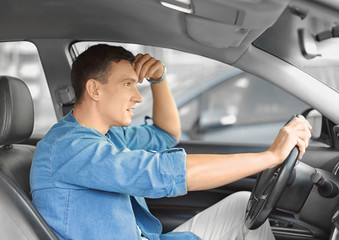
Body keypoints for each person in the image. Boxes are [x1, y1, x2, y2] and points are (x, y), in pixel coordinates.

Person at [30, 44, 312, 240]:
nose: (138, 97)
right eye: (128, 84)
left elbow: (165, 135)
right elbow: (161, 172)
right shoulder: (68, 147)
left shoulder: (105, 135)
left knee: (240, 205)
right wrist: (270, 156)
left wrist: (159, 79)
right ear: (94, 89)